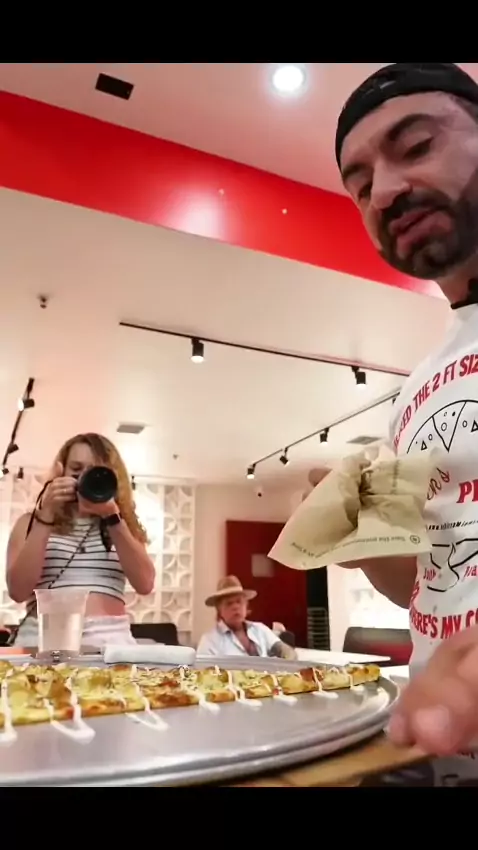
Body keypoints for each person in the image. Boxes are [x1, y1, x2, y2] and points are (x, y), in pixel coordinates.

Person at [319, 62, 478, 785]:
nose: (384, 190)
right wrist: (358, 534)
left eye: (415, 146)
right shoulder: (415, 388)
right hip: (434, 750)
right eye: (359, 185)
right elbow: (426, 581)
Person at [6, 432, 155, 648]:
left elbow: (145, 584)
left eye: (94, 473)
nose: (83, 479)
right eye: (76, 470)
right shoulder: (29, 522)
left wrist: (112, 517)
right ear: (61, 472)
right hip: (43, 637)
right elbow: (18, 591)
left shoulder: (123, 525)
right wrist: (46, 515)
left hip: (110, 639)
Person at [197, 575, 297, 660]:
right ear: (219, 610)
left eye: (239, 601)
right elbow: (203, 670)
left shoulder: (259, 629)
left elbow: (283, 650)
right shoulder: (209, 640)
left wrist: (289, 657)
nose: (235, 607)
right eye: (229, 603)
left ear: (246, 605)